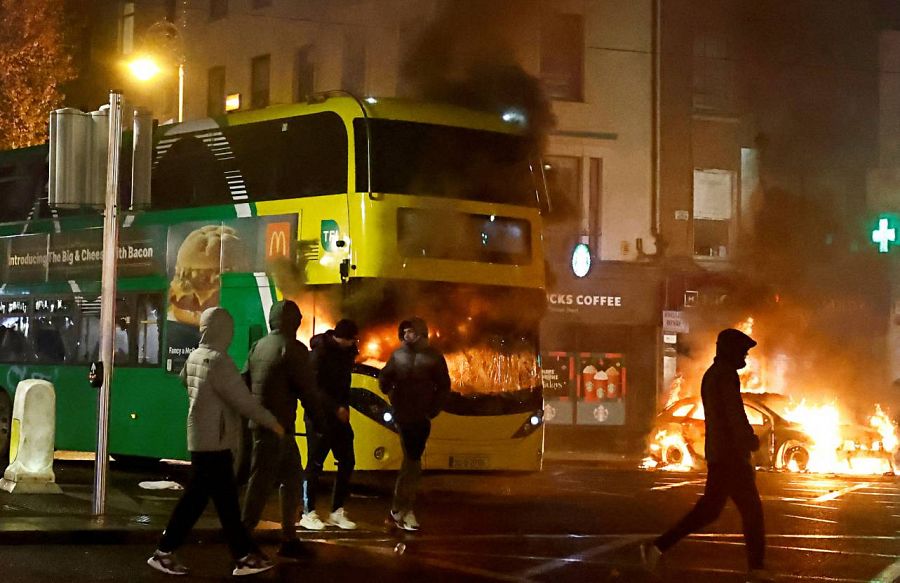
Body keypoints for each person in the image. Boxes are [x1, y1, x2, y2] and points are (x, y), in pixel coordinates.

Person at [147, 307, 283, 577]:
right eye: (229, 330)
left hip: (201, 437)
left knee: (212, 502)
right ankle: (169, 552)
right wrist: (273, 423)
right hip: (215, 442)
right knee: (214, 504)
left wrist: (205, 401)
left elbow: (184, 381)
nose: (230, 335)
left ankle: (240, 555)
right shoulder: (219, 361)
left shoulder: (196, 355)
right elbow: (244, 402)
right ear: (222, 331)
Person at [641, 328, 773, 583]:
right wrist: (749, 439)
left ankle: (657, 547)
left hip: (720, 454)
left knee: (710, 510)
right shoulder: (725, 376)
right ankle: (757, 569)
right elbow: (734, 413)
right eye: (742, 351)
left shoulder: (713, 374)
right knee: (751, 511)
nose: (745, 356)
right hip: (731, 457)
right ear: (730, 350)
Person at [241, 300, 321, 560]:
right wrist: (320, 420)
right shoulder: (293, 349)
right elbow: (307, 390)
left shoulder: (258, 346)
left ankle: (289, 537)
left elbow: (245, 379)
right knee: (262, 483)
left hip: (266, 425)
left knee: (290, 478)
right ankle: (244, 538)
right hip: (277, 427)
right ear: (294, 322)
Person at [378, 317, 450, 531]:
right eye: (405, 332)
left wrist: (432, 410)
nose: (407, 335)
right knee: (413, 462)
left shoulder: (433, 357)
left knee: (411, 462)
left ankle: (398, 510)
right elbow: (384, 379)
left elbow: (444, 386)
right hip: (403, 415)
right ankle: (404, 510)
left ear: (420, 333)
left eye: (411, 331)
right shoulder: (398, 356)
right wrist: (394, 396)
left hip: (421, 416)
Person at [300, 319, 360, 530]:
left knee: (347, 460)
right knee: (315, 464)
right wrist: (336, 408)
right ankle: (308, 512)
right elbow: (314, 388)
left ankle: (337, 510)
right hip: (319, 417)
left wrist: (343, 407)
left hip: (338, 417)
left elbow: (343, 386)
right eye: (352, 340)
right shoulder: (319, 353)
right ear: (342, 338)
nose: (354, 344)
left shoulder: (347, 354)